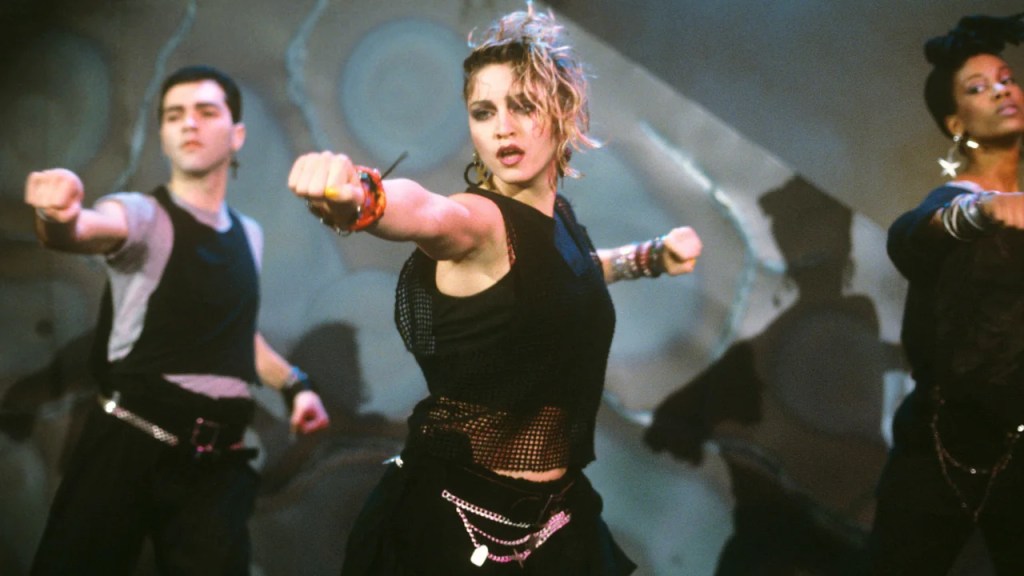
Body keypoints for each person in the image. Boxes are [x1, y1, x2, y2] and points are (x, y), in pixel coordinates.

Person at [288, 5, 702, 574]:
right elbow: (424, 213)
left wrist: (649, 258)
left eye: (522, 106)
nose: (502, 126)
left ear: (563, 111)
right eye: (484, 112)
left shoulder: (558, 219)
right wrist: (358, 198)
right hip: (453, 523)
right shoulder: (479, 222)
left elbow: (568, 280)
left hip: (555, 520)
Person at [25, 64, 330, 575]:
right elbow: (78, 230)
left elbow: (235, 336)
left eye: (205, 111)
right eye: (173, 115)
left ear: (236, 135)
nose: (188, 123)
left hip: (214, 465)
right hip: (129, 444)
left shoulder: (249, 234)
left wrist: (296, 385)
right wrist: (56, 217)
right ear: (164, 136)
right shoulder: (141, 215)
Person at [868, 12, 1024, 575]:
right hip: (941, 445)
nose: (1001, 91)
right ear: (957, 123)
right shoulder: (952, 204)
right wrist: (980, 212)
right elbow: (911, 237)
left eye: (1007, 78)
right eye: (978, 88)